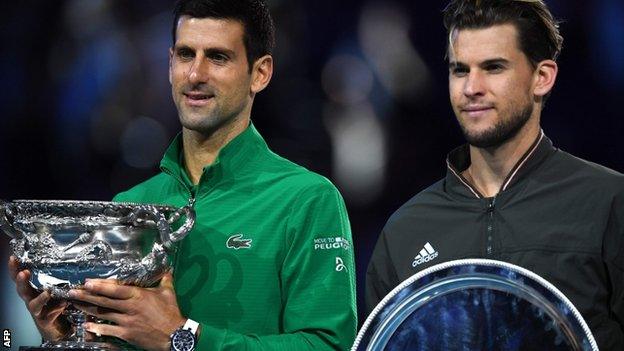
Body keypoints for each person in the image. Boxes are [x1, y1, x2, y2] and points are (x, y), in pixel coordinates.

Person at [9, 0, 357, 350]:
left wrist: (183, 336)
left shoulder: (307, 200)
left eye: (218, 57)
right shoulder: (129, 205)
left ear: (260, 73)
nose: (196, 75)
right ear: (170, 63)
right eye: (186, 54)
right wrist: (65, 337)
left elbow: (328, 346)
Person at [365, 0, 624, 349]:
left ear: (542, 78)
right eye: (460, 70)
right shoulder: (405, 229)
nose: (471, 87)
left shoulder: (609, 202)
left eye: (493, 67)